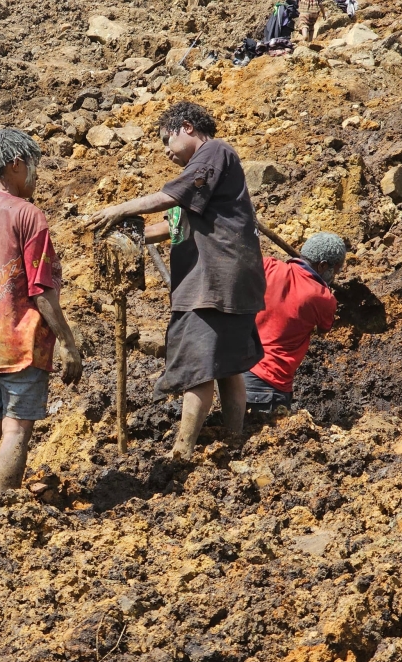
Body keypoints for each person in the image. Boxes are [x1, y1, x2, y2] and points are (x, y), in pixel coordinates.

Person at [89, 101, 266, 459]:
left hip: (213, 281)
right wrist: (131, 235)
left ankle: (182, 453)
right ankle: (233, 439)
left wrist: (121, 208)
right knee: (227, 365)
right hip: (228, 279)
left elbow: (171, 197)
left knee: (199, 369)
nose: (166, 154)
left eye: (166, 142)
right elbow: (173, 227)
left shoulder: (213, 151)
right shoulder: (204, 178)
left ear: (186, 127)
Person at [0, 129, 83, 507]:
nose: (35, 176)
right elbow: (41, 290)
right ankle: (5, 512)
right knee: (14, 429)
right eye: (33, 167)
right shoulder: (29, 216)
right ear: (15, 165)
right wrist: (70, 346)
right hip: (19, 344)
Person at [245, 232, 346, 413]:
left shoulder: (268, 266)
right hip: (270, 385)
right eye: (336, 270)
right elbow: (324, 329)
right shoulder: (323, 298)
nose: (336, 276)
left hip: (236, 374)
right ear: (323, 266)